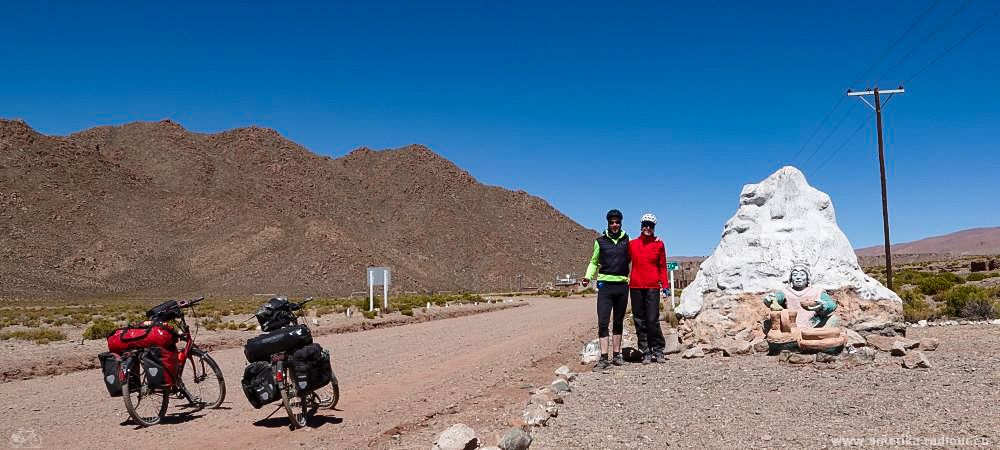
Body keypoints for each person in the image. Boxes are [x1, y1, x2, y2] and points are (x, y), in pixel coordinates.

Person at [582, 209, 630, 371]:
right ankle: (603, 358)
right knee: (603, 321)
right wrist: (588, 277)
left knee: (618, 321)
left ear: (621, 223)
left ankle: (617, 355)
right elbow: (594, 262)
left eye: (617, 222)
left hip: (622, 285)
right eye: (612, 222)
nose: (614, 225)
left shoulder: (627, 240)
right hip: (605, 286)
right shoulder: (600, 241)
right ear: (608, 224)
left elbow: (636, 256)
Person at [628, 213, 670, 363]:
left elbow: (662, 267)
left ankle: (658, 350)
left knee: (652, 320)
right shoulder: (632, 244)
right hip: (635, 286)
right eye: (645, 225)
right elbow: (622, 259)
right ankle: (645, 351)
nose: (648, 228)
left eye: (651, 226)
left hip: (652, 286)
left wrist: (665, 285)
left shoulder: (659, 244)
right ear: (641, 226)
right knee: (639, 320)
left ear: (654, 228)